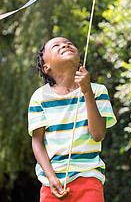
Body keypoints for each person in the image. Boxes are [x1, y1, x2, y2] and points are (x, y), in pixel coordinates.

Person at [28, 37, 117, 201]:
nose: (65, 45)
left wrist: (87, 91)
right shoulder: (39, 98)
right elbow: (37, 142)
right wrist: (50, 177)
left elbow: (98, 135)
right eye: (56, 46)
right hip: (52, 184)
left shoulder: (97, 91)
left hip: (89, 179)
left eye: (69, 43)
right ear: (46, 67)